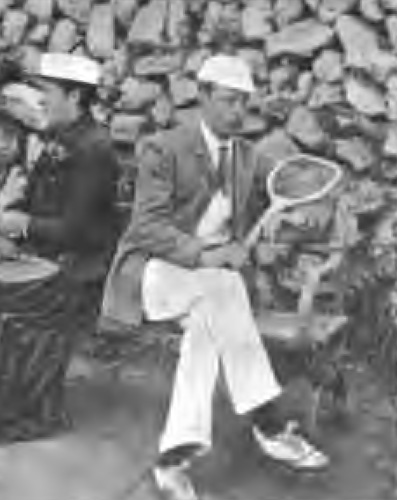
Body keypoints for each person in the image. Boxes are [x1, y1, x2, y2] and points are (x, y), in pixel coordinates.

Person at [100, 54, 329, 500]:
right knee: (224, 286)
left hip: (211, 290)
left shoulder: (248, 157)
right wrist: (207, 254)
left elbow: (294, 189)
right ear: (202, 97)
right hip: (157, 274)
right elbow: (146, 227)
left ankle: (174, 458)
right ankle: (269, 425)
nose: (238, 111)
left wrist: (300, 219)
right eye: (228, 100)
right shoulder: (162, 148)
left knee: (207, 325)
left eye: (244, 102)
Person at [0, 52, 119, 441]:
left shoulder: (94, 149)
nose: (39, 100)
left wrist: (21, 225)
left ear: (75, 97)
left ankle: (32, 414)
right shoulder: (59, 137)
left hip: (77, 267)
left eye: (47, 91)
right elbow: (38, 206)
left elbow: (77, 232)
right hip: (45, 255)